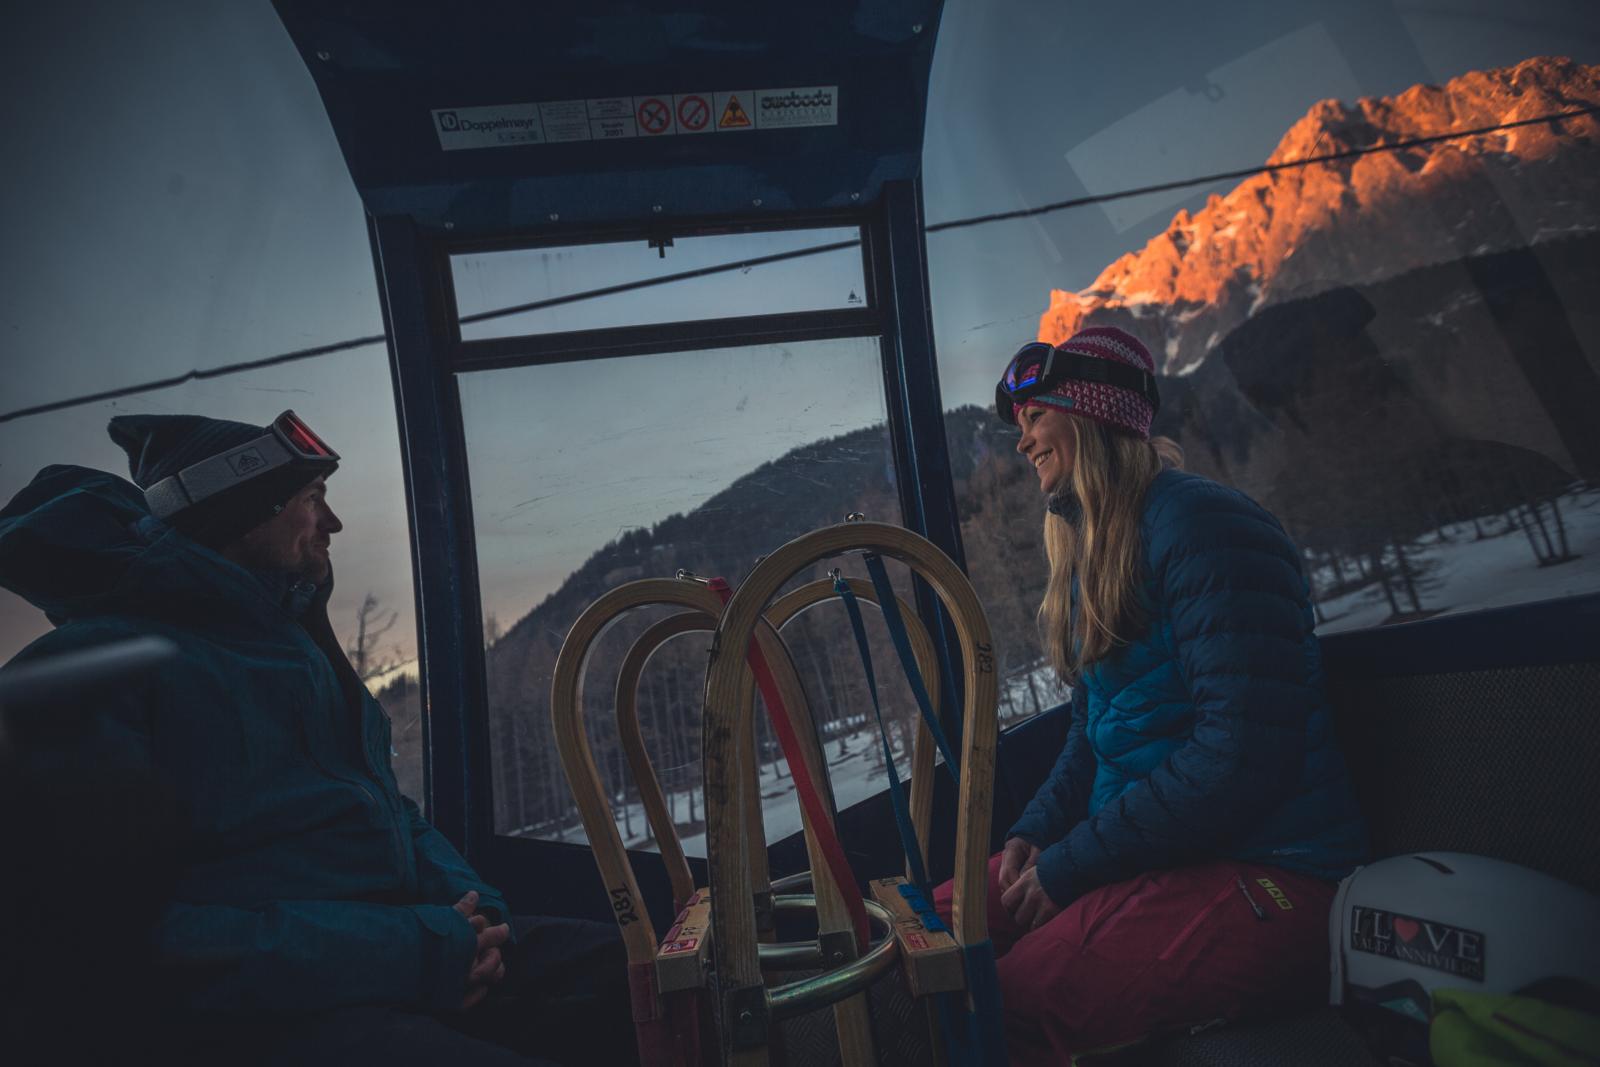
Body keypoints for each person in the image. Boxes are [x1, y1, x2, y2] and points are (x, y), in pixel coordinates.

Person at [0, 411, 637, 1067]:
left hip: (401, 953)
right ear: (244, 513)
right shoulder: (88, 679)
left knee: (643, 975)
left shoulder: (293, 646)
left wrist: (480, 917)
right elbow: (115, 943)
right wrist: (413, 951)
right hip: (262, 1014)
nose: (332, 523)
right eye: (311, 499)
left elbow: (387, 809)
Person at [935, 326, 1369, 1064]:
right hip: (1163, 852)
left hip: (1275, 868)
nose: (1023, 441)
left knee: (1009, 1000)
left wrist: (1074, 865)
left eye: (1037, 416)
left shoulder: (1205, 525)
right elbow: (1092, 729)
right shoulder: (1102, 549)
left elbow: (1239, 756)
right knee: (937, 924)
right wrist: (1039, 829)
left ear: (1092, 413)